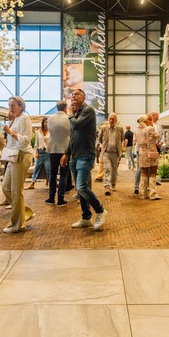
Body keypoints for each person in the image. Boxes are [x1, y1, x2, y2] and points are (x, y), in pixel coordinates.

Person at [60, 88, 107, 230]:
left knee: (81, 187)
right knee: (79, 189)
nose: (74, 96)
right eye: (72, 94)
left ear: (84, 97)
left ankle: (100, 211)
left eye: (77, 94)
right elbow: (73, 136)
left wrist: (69, 114)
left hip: (86, 155)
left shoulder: (88, 110)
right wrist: (66, 153)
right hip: (74, 155)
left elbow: (76, 125)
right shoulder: (76, 113)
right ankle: (86, 217)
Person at [1, 96, 35, 234]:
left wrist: (10, 132)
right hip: (12, 156)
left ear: (21, 106)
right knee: (6, 187)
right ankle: (25, 212)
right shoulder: (14, 119)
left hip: (21, 155)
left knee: (16, 190)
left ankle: (17, 224)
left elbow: (25, 140)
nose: (10, 107)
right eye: (9, 105)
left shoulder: (25, 119)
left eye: (13, 105)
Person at [46, 101, 70, 207]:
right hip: (64, 149)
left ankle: (51, 198)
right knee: (64, 174)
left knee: (53, 173)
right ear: (65, 108)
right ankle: (60, 199)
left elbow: (50, 132)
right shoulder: (69, 119)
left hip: (53, 148)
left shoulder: (50, 119)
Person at [136, 113, 161, 200]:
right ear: (145, 121)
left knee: (144, 173)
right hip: (151, 152)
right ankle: (153, 193)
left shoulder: (138, 130)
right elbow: (157, 136)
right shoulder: (149, 128)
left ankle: (143, 193)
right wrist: (151, 126)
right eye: (148, 119)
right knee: (153, 172)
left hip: (142, 153)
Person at [98, 113, 124, 195]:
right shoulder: (103, 128)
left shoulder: (120, 129)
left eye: (113, 119)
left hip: (116, 153)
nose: (111, 120)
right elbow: (100, 139)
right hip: (106, 152)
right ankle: (107, 185)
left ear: (116, 120)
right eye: (110, 119)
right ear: (108, 119)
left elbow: (122, 139)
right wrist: (104, 146)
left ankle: (113, 184)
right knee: (107, 168)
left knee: (114, 170)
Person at [26, 117, 50, 190]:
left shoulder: (51, 131)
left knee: (48, 169)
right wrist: (36, 152)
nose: (47, 123)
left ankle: (48, 183)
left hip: (48, 152)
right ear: (43, 123)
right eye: (45, 122)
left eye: (48, 122)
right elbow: (36, 143)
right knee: (36, 168)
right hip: (40, 152)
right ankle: (32, 183)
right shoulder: (38, 132)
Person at [150, 111, 164, 185]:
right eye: (157, 115)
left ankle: (155, 179)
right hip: (150, 147)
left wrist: (161, 142)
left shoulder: (159, 126)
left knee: (156, 164)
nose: (158, 117)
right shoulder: (149, 125)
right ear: (152, 116)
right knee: (150, 164)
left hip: (157, 146)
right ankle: (150, 181)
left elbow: (162, 135)